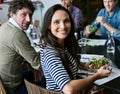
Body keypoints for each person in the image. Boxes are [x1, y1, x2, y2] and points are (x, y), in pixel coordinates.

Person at [40, 4, 112, 94]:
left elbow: (67, 62)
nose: (63, 26)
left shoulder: (64, 44)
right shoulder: (50, 52)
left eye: (66, 21)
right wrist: (97, 75)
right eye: (56, 22)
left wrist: (85, 66)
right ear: (48, 25)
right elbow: (69, 89)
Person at [0, 0, 41, 93]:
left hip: (3, 80)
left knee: (30, 73)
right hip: (10, 87)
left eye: (30, 15)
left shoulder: (4, 26)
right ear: (12, 15)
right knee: (45, 84)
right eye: (23, 14)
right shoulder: (17, 34)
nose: (28, 19)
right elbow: (37, 64)